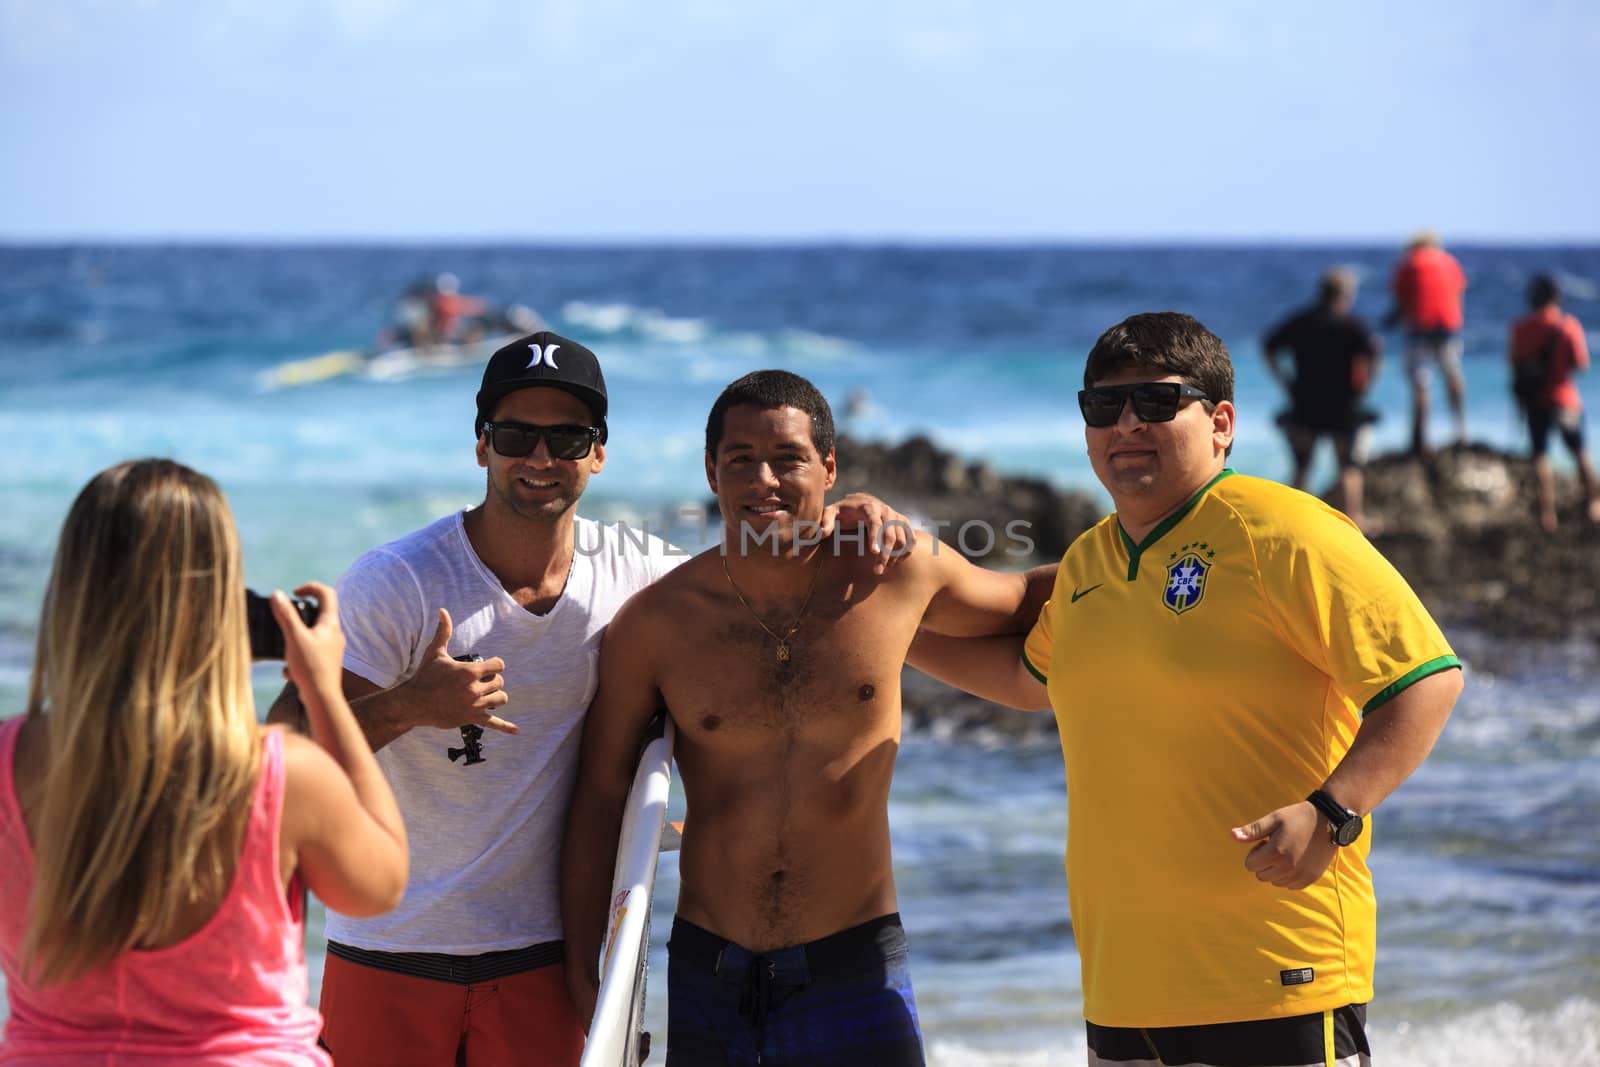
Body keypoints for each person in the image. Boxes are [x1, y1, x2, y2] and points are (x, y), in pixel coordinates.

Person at [267, 335, 908, 1067]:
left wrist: (853, 511)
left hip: (543, 959)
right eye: (517, 435)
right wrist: (410, 705)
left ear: (598, 453)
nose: (540, 458)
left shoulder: (637, 574)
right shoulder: (400, 580)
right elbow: (282, 745)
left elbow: (760, 573)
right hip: (390, 949)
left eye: (567, 437)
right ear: (482, 447)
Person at [908, 313, 1463, 1067]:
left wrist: (1332, 810)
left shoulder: (1286, 533)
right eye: (1104, 407)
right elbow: (1029, 680)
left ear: (1222, 422)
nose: (1126, 423)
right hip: (1124, 987)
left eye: (1157, 402)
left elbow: (1425, 678)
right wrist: (887, 634)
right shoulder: (1088, 561)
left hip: (1276, 973)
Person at [560, 369, 1054, 1067]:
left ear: (828, 467)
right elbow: (600, 797)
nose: (763, 478)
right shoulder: (657, 624)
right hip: (712, 975)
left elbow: (1021, 599)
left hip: (856, 969)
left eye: (787, 458)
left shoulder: (892, 573)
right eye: (740, 460)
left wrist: (1152, 543)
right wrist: (588, 969)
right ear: (711, 472)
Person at [1, 458, 407, 1064]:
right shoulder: (281, 773)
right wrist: (322, 689)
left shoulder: (9, 761)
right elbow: (381, 883)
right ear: (220, 599)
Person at [1262, 267, 1383, 529]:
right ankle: (1355, 520)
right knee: (1348, 466)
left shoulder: (1302, 321)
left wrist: (1284, 381)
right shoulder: (1352, 325)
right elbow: (1375, 353)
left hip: (1305, 401)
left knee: (1302, 465)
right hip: (1343, 403)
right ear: (1345, 294)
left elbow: (1268, 346)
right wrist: (1366, 386)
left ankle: (1291, 519)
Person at [1508, 273, 1600, 530]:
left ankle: (1547, 515)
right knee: (1580, 452)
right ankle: (1593, 504)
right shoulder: (1567, 325)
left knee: (1540, 456)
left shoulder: (1520, 327)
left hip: (1535, 400)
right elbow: (1581, 363)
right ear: (1556, 297)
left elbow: (1515, 364)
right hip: (1565, 398)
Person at [1386, 230, 1468, 453]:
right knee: (1452, 374)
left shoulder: (1409, 263)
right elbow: (1459, 295)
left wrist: (1386, 324)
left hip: (1419, 327)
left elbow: (1401, 303)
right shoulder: (1450, 262)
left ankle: (1420, 438)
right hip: (1449, 325)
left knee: (1421, 382)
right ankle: (1460, 429)